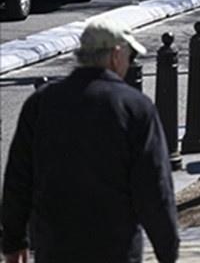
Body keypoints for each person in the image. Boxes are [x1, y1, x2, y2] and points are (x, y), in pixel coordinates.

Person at [1, 21, 179, 263]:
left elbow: (18, 178)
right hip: (115, 247)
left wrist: (13, 241)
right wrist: (167, 250)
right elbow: (154, 186)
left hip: (55, 246)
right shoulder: (135, 107)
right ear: (116, 55)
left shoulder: (41, 103)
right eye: (130, 54)